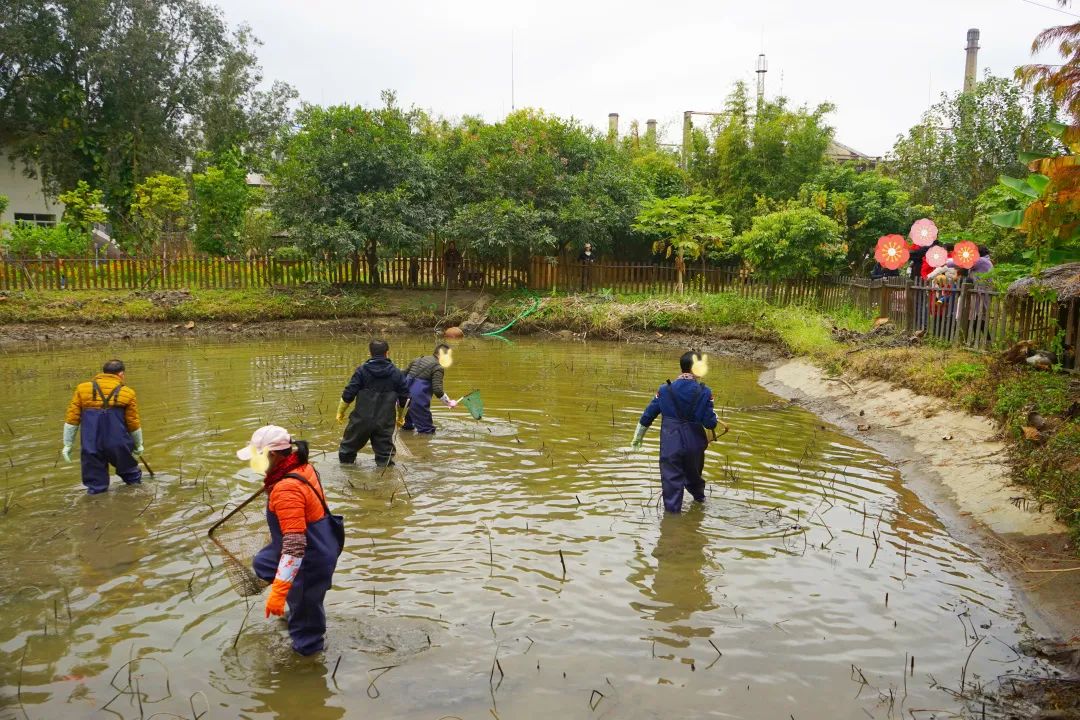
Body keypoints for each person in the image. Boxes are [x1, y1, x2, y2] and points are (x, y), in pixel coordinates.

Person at [239, 426, 341, 656]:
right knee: (263, 562)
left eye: (257, 456)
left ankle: (308, 660)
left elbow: (295, 546)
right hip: (322, 539)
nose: (253, 462)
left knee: (306, 632)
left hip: (310, 557)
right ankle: (299, 605)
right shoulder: (301, 466)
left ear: (274, 455)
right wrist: (272, 482)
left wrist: (279, 591)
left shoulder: (286, 488)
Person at [631, 351, 720, 513]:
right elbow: (710, 423)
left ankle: (672, 520)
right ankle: (699, 503)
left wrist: (638, 437)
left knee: (671, 483)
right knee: (694, 477)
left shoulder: (664, 390)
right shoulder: (705, 392)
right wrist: (714, 416)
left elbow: (648, 416)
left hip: (670, 443)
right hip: (694, 444)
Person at [62, 359, 143, 494]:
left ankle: (96, 504)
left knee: (96, 486)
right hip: (118, 444)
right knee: (132, 477)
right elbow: (133, 422)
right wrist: (138, 444)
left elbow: (72, 419)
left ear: (103, 372)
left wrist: (68, 444)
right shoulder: (127, 392)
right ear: (121, 374)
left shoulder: (82, 389)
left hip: (91, 444)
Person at [336, 340, 409, 466]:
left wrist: (340, 412)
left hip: (361, 421)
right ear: (387, 353)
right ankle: (385, 477)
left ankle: (347, 473)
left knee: (347, 452)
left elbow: (348, 394)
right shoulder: (397, 373)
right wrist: (401, 417)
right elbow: (405, 399)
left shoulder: (361, 371)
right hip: (385, 422)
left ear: (370, 353)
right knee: (385, 458)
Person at [402, 344, 458, 434]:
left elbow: (402, 375)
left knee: (407, 427)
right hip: (417, 401)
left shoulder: (417, 360)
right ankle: (424, 443)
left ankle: (405, 439)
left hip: (403, 399)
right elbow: (437, 390)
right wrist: (449, 402)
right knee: (427, 432)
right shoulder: (438, 367)